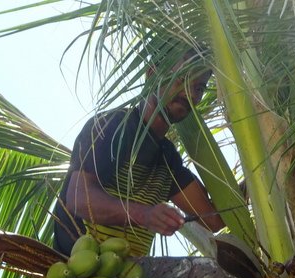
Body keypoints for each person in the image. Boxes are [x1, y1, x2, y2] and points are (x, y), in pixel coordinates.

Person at [53, 46, 224, 257]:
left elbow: (213, 219)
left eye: (198, 88)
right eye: (181, 79)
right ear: (152, 74)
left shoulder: (168, 160)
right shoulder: (113, 126)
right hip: (81, 274)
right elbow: (79, 198)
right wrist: (144, 214)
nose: (189, 94)